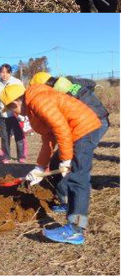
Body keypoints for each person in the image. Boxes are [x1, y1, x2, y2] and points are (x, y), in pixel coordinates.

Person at [0, 81, 104, 245]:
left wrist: (67, 158)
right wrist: (39, 167)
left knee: (78, 178)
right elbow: (48, 139)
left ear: (16, 102)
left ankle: (76, 230)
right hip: (77, 129)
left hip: (83, 128)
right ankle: (73, 221)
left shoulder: (39, 100)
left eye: (12, 109)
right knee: (73, 174)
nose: (14, 113)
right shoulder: (34, 109)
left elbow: (60, 128)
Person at [29, 72, 110, 214]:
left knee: (74, 164)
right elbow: (89, 83)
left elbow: (60, 128)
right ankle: (68, 198)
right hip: (99, 117)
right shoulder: (69, 80)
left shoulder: (54, 95)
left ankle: (71, 203)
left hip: (89, 123)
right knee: (64, 161)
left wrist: (65, 158)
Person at [0, 64, 26, 163]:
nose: (4, 74)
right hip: (3, 114)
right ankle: (6, 156)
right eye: (2, 72)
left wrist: (24, 112)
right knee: (4, 136)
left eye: (6, 72)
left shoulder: (17, 82)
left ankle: (21, 156)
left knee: (19, 135)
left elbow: (24, 97)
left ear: (10, 73)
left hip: (16, 114)